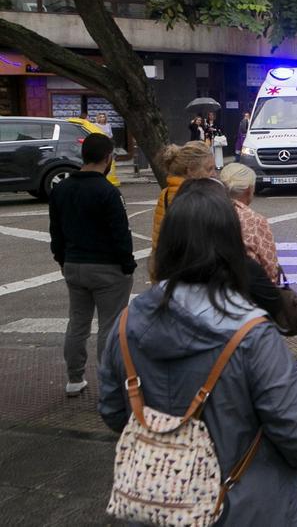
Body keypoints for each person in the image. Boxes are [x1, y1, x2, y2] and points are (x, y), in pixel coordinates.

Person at [98, 180, 297, 525]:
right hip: (248, 508)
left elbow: (113, 412)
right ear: (231, 245)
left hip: (157, 507)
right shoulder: (252, 335)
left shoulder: (125, 324)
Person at [48, 133, 135, 397]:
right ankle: (109, 385)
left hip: (74, 264)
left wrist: (62, 260)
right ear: (108, 158)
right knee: (109, 327)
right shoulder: (108, 192)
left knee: (77, 323)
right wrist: (127, 263)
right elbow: (121, 234)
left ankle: (74, 379)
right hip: (108, 268)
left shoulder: (60, 189)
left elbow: (56, 232)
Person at [151, 141, 216, 278]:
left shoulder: (166, 194)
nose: (214, 174)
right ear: (190, 170)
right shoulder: (200, 197)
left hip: (169, 278)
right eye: (209, 169)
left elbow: (158, 245)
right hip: (196, 279)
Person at [220, 163, 280, 283]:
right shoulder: (254, 220)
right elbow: (270, 268)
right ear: (249, 190)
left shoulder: (208, 211)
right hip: (249, 288)